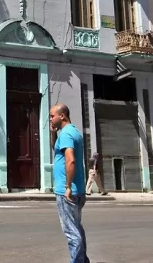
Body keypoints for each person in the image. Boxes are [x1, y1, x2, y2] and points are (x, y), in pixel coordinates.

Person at [49, 103, 88, 263]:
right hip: (78, 189)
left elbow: (70, 160)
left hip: (68, 191)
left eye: (52, 116)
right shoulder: (73, 132)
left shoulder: (66, 134)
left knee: (72, 232)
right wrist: (53, 135)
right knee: (77, 229)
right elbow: (58, 150)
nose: (50, 119)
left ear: (62, 116)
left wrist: (67, 187)